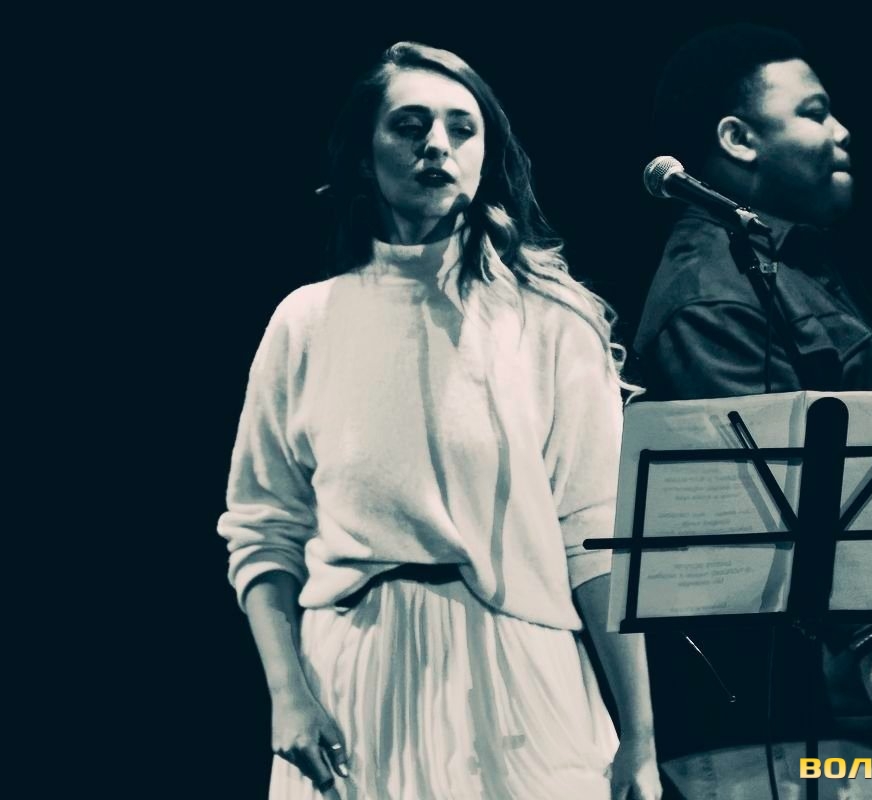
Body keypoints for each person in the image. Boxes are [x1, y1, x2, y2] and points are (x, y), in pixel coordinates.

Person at [217, 41, 661, 800]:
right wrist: (288, 695)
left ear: (487, 157)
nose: (436, 145)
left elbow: (595, 540)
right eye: (409, 125)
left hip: (519, 674)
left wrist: (641, 740)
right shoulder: (306, 321)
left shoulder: (553, 322)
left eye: (462, 128)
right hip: (353, 678)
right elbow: (263, 528)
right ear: (364, 156)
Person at [633, 24, 872, 795]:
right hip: (790, 722)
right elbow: (775, 505)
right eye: (815, 113)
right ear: (738, 140)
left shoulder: (795, 268)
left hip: (863, 698)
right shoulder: (711, 298)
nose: (842, 130)